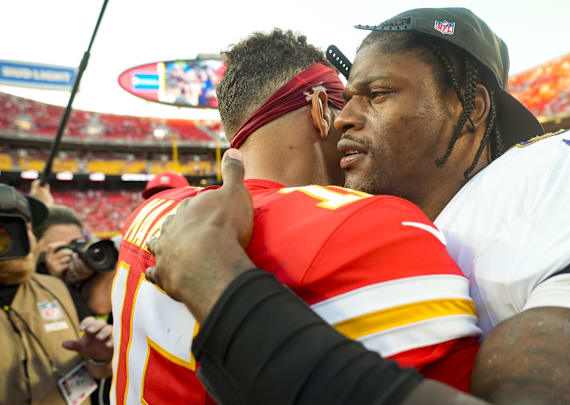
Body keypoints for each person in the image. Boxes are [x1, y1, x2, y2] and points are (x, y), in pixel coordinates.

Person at [148, 7, 570, 405]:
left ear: (469, 107)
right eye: (347, 98)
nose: (343, 118)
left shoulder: (554, 181)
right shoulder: (389, 222)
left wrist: (219, 284)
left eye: (378, 94)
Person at [111, 30, 481, 405]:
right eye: (345, 102)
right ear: (321, 110)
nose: (351, 119)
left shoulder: (154, 209)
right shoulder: (366, 225)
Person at [0, 184, 112, 405]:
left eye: (29, 228)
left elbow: (95, 373)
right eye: (8, 230)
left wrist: (99, 358)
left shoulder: (57, 288)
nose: (26, 239)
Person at [34, 205, 114, 318]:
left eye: (76, 244)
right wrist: (51, 278)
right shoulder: (25, 285)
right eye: (61, 248)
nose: (71, 254)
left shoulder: (91, 273)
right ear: (34, 244)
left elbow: (100, 307)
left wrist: (93, 273)